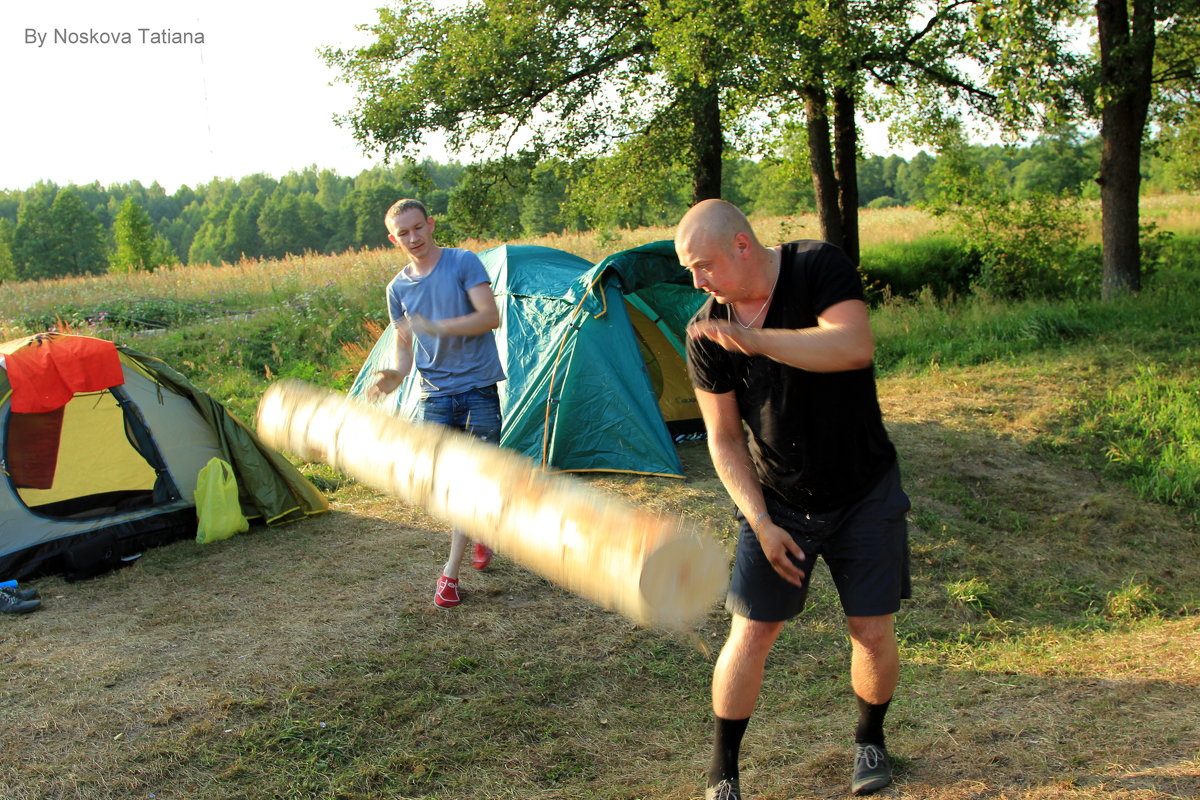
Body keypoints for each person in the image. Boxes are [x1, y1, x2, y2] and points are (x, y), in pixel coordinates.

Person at [678, 200, 910, 799]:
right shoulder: (707, 330)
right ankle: (722, 775)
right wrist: (760, 521)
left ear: (742, 246)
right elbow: (724, 439)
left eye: (704, 266)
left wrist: (756, 343)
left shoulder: (817, 267)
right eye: (691, 271)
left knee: (871, 629)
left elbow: (853, 346)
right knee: (750, 633)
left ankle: (870, 742)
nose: (697, 282)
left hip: (865, 489)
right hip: (779, 500)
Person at [370, 198, 507, 609]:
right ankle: (481, 530)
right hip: (435, 393)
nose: (413, 238)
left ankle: (449, 575)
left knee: (467, 480)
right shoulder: (398, 289)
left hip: (478, 387)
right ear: (393, 238)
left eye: (418, 228)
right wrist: (396, 374)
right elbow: (404, 343)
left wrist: (436, 326)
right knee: (446, 483)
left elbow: (490, 317)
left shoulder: (463, 262)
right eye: (403, 233)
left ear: (430, 224)